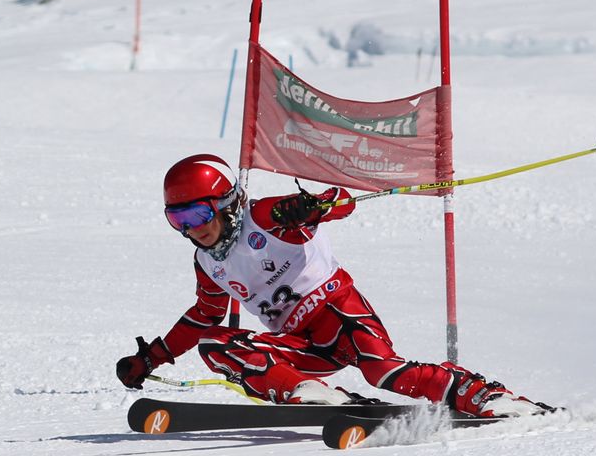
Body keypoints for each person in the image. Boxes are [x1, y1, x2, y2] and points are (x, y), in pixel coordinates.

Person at [115, 153, 548, 418]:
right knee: (216, 344)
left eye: (198, 214)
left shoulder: (264, 217)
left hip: (340, 313)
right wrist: (153, 357)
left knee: (385, 372)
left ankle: (484, 396)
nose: (192, 229)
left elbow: (339, 203)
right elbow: (203, 317)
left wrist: (313, 207)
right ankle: (312, 393)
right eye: (178, 219)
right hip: (300, 343)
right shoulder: (207, 262)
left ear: (227, 203)